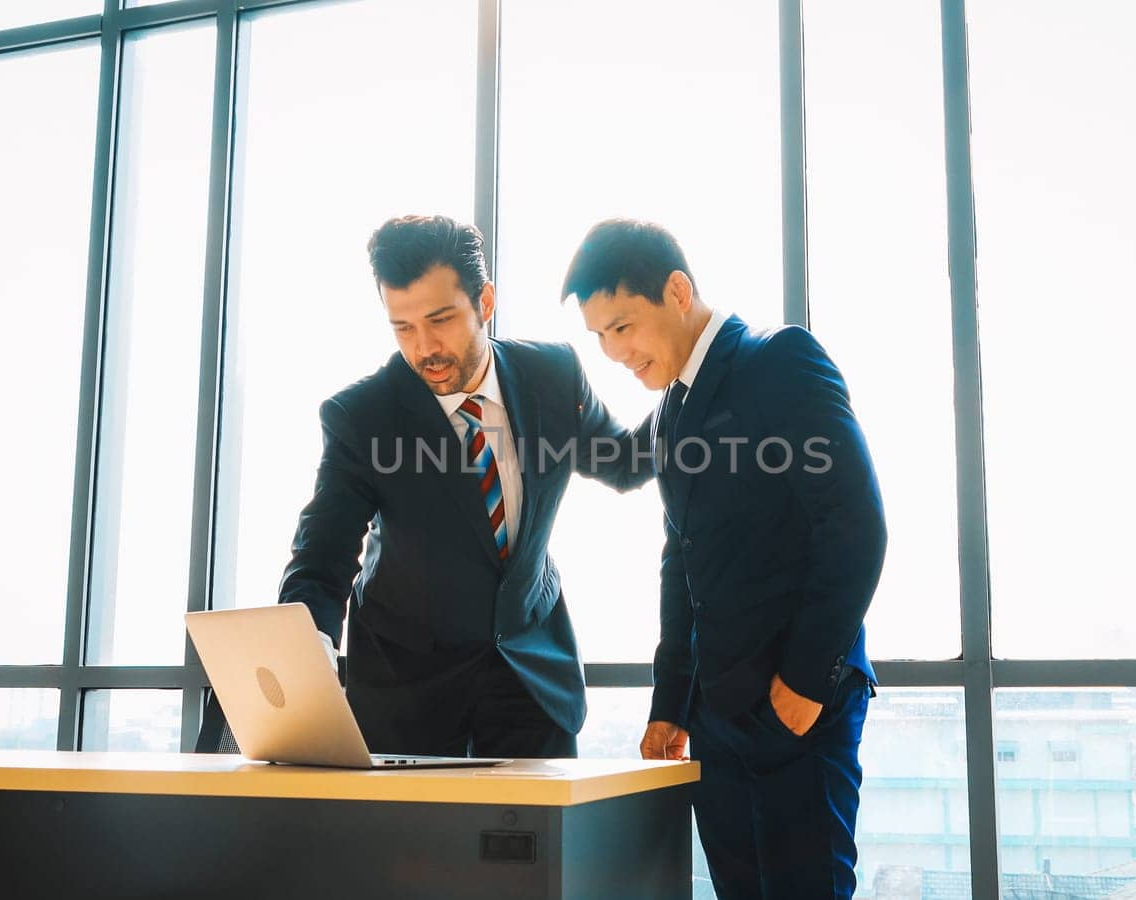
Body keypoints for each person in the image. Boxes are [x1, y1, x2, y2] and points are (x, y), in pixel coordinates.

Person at [562, 218, 887, 898]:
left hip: (798, 709)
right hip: (718, 719)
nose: (614, 352)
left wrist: (805, 681)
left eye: (623, 327)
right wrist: (672, 703)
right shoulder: (672, 409)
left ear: (677, 291)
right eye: (599, 337)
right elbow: (683, 558)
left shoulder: (780, 359)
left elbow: (855, 525)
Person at [278, 214, 650, 758]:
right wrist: (304, 663)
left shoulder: (553, 376)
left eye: (440, 318)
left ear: (486, 302)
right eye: (402, 327)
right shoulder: (363, 416)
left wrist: (696, 385)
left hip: (533, 685)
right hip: (409, 699)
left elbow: (626, 462)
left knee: (545, 843)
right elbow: (322, 558)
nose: (424, 347)